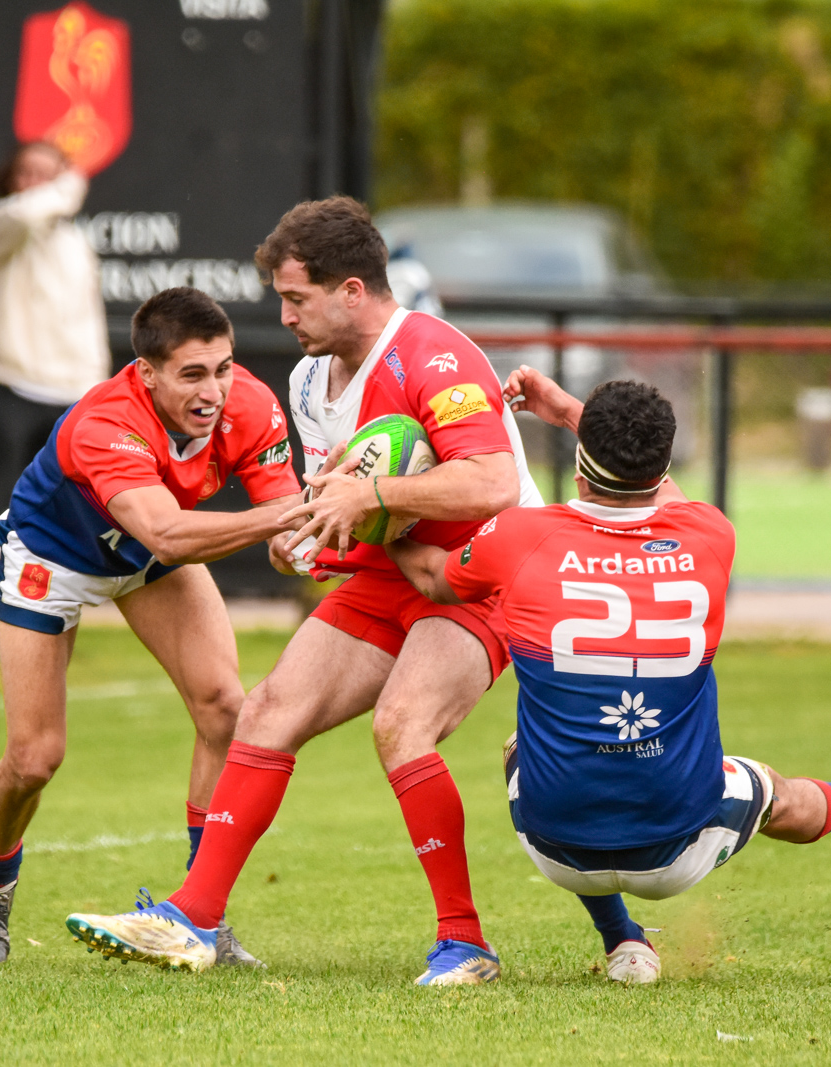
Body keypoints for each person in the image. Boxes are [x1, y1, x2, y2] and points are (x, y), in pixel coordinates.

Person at [63, 196, 543, 985]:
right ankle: (194, 919)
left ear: (352, 290)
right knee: (265, 711)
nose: (283, 315)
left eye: (296, 297)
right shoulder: (310, 378)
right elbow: (343, 509)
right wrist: (307, 541)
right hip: (388, 579)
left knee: (402, 726)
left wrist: (372, 497)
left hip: (475, 582)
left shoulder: (432, 353)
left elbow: (491, 480)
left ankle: (465, 943)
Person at [385, 370, 831, 984]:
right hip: (676, 851)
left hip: (556, 849)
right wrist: (572, 412)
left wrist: (379, 515)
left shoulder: (518, 537)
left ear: (580, 468)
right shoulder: (712, 534)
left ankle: (622, 938)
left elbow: (433, 578)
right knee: (769, 788)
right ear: (661, 467)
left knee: (523, 750)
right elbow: (667, 497)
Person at [0, 287, 301, 965]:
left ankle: (204, 915)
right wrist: (289, 520)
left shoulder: (254, 406)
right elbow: (168, 532)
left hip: (142, 556)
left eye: (224, 368)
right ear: (147, 373)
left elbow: (287, 526)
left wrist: (336, 526)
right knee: (35, 757)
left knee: (225, 707)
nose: (214, 391)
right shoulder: (105, 420)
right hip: (52, 554)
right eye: (192, 374)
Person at [0, 140, 110, 655]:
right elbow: (28, 214)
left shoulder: (74, 241)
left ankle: (52, 622)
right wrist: (68, 180)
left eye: (46, 174)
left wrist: (96, 392)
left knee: (65, 518)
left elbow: (85, 324)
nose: (35, 183)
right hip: (10, 387)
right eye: (25, 171)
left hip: (69, 397)